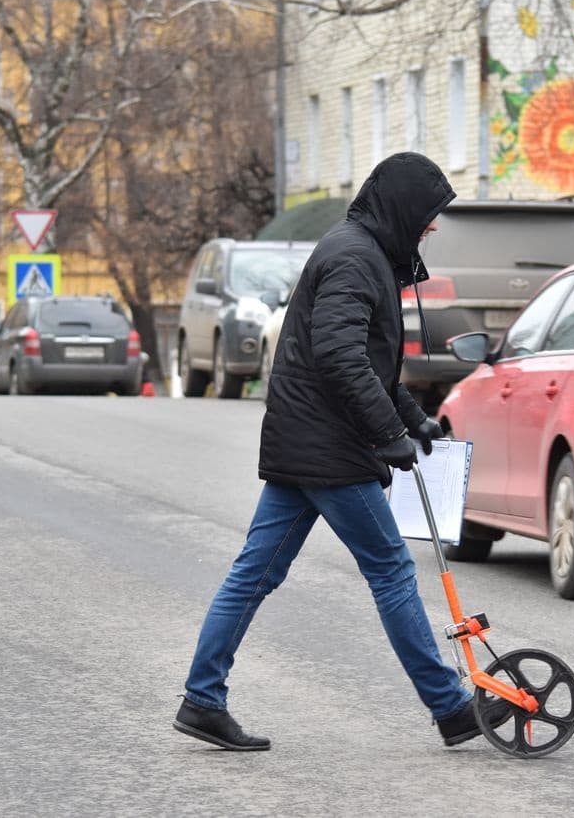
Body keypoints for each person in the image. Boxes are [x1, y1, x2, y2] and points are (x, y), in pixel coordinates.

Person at [175, 152, 496, 751]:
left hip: (310, 440)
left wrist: (413, 420)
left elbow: (369, 362)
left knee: (255, 573)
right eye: (428, 215)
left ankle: (202, 699)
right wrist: (385, 434)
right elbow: (339, 357)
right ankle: (451, 707)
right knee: (393, 571)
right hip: (330, 446)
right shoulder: (354, 257)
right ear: (402, 207)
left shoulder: (362, 251)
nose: (431, 227)